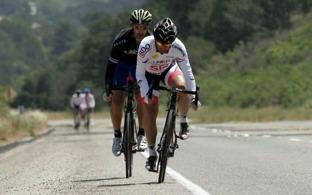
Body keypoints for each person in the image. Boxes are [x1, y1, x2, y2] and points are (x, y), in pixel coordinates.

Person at [136, 18, 201, 171]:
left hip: (168, 70)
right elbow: (139, 74)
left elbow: (188, 72)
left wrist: (193, 97)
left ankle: (183, 121)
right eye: (160, 44)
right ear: (155, 39)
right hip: (149, 75)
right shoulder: (146, 45)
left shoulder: (178, 47)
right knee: (150, 113)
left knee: (182, 86)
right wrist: (146, 95)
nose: (164, 48)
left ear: (173, 41)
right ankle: (152, 154)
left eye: (167, 45)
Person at [104, 9, 152, 156]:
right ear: (132, 26)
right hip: (122, 66)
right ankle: (117, 136)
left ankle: (141, 134)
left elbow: (154, 66)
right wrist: (108, 88)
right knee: (117, 99)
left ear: (147, 28)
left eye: (143, 28)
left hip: (141, 67)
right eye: (137, 28)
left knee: (142, 97)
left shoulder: (151, 41)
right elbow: (111, 66)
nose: (140, 31)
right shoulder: (121, 40)